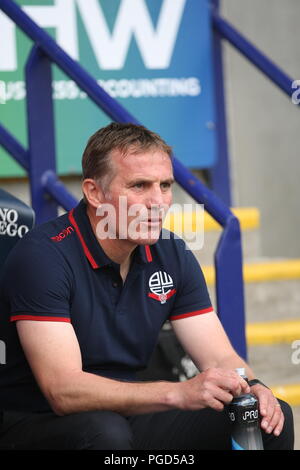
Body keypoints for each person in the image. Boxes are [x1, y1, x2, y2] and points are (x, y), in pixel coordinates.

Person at [0, 123, 294, 450]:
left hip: (128, 412)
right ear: (94, 193)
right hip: (35, 422)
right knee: (105, 432)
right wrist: (177, 393)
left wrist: (252, 386)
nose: (158, 202)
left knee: (270, 419)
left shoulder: (171, 252)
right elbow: (63, 391)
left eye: (165, 185)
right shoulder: (43, 256)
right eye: (139, 186)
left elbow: (220, 356)